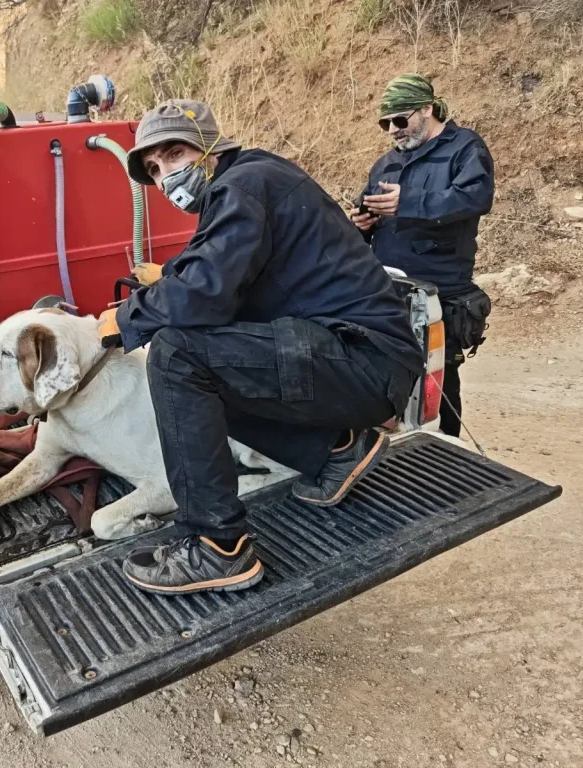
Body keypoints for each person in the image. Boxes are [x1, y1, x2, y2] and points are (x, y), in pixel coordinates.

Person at [95, 100, 423, 594]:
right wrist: (167, 279)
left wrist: (123, 318)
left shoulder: (242, 185)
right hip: (357, 356)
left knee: (177, 356)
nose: (167, 176)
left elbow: (205, 290)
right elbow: (211, 265)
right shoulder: (247, 183)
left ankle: (216, 546)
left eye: (175, 154)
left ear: (212, 146)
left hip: (361, 357)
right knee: (209, 373)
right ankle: (335, 450)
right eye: (155, 169)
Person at [351, 74, 495, 437]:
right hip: (388, 287)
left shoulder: (465, 147)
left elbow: (475, 198)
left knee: (438, 384)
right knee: (384, 374)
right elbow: (367, 212)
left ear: (427, 109)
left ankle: (447, 450)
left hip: (439, 290)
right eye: (385, 124)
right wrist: (361, 224)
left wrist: (409, 202)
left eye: (400, 120)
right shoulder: (386, 163)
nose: (393, 131)